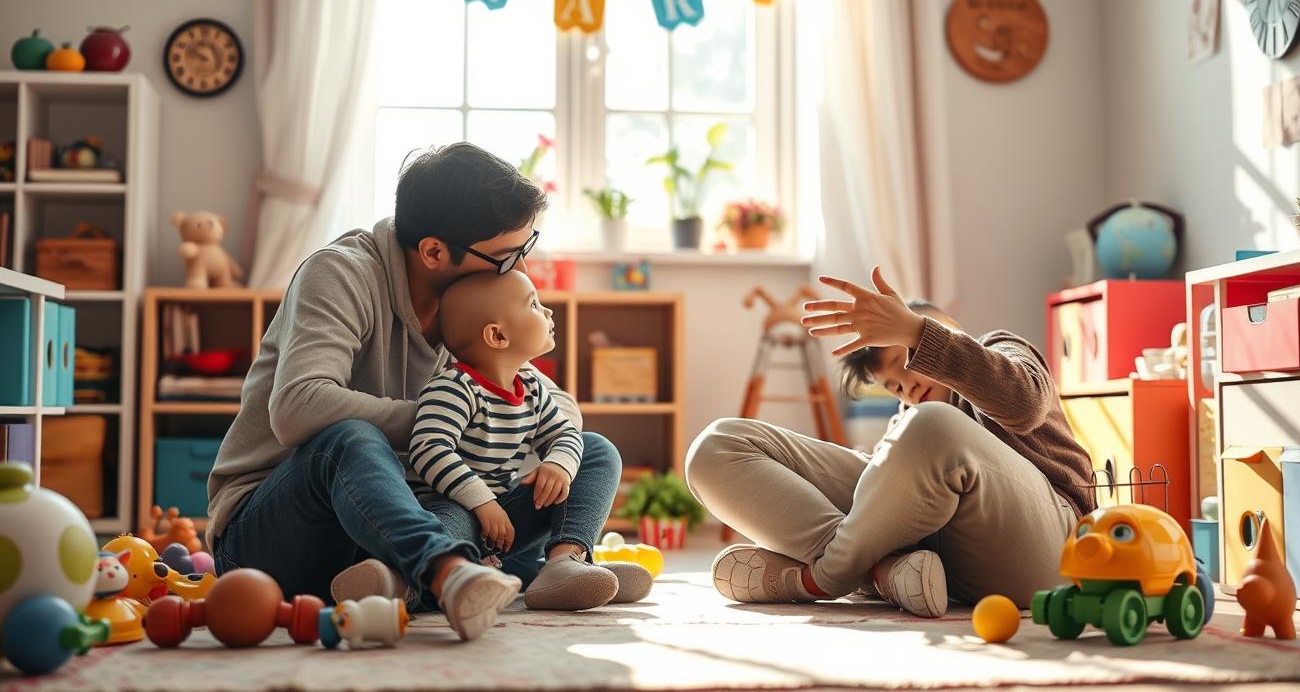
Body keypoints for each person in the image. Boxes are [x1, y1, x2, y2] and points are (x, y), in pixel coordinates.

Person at [206, 142, 623, 641]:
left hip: (395, 528)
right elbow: (298, 406)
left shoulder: (468, 306)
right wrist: (444, 422)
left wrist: (531, 438)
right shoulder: (342, 273)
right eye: (506, 256)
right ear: (433, 252)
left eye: (524, 248)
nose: (518, 271)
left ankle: (558, 564)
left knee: (589, 450)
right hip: (275, 533)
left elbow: (557, 407)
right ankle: (449, 572)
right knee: (352, 437)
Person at [687, 267, 1096, 617]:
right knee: (718, 444)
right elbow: (889, 491)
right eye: (894, 386)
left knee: (932, 425)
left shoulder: (1001, 351)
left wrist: (915, 332)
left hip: (1050, 543)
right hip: (942, 552)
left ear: (942, 333)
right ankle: (885, 574)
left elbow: (1023, 405)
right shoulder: (912, 419)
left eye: (908, 362)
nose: (907, 389)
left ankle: (818, 578)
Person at [404, 270, 652, 611]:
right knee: (444, 530)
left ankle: (566, 561)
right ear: (497, 335)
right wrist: (481, 502)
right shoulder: (453, 387)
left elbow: (565, 433)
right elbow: (429, 449)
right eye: (534, 304)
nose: (548, 312)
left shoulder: (533, 389)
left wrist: (558, 464)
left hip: (502, 521)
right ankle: (411, 581)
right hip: (452, 508)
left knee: (597, 449)